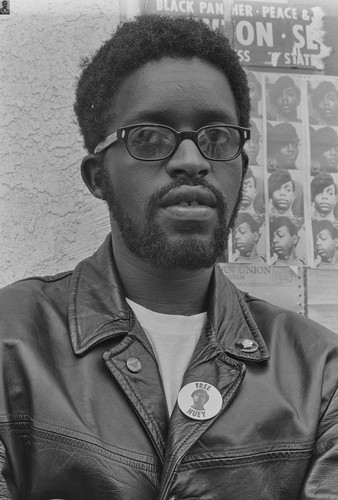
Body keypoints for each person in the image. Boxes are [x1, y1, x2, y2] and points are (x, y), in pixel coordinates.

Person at [0, 14, 338, 499]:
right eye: (150, 138)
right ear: (98, 176)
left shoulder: (319, 371)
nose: (192, 161)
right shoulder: (12, 340)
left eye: (217, 137)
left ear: (240, 167)